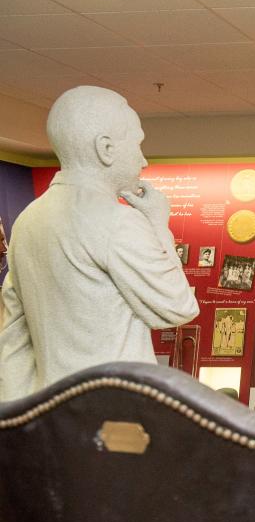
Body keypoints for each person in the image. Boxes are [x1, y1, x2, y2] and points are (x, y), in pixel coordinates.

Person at [0, 86, 198, 401]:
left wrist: (18, 424)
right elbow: (178, 307)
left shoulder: (28, 220)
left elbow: (13, 339)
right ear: (106, 149)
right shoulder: (116, 220)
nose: (143, 160)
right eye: (137, 144)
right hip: (114, 416)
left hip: (51, 416)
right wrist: (158, 225)